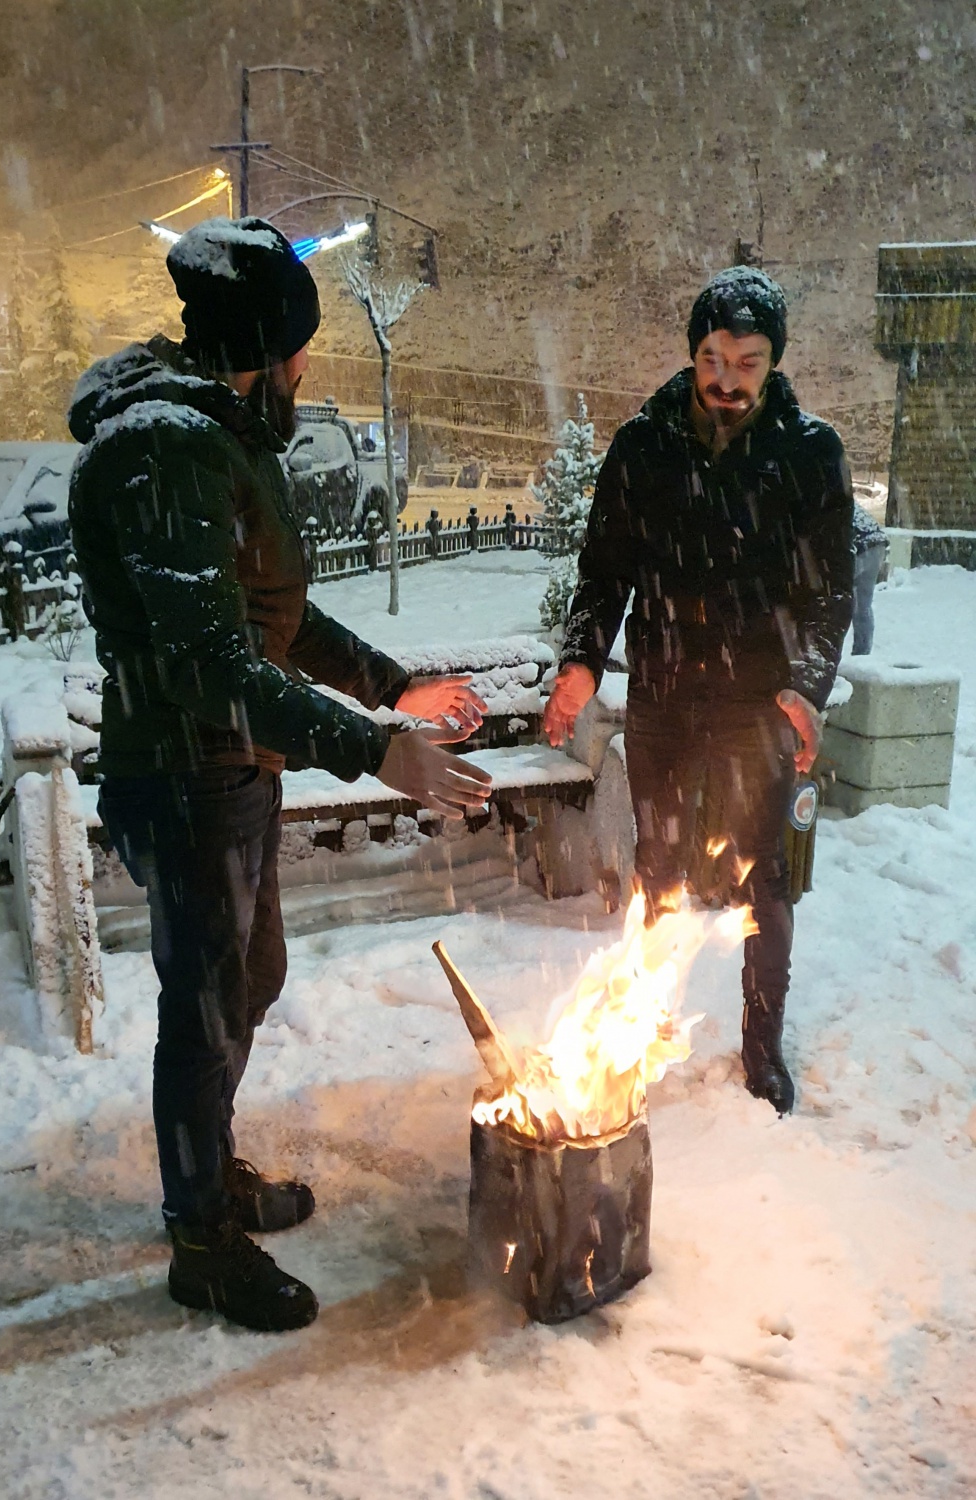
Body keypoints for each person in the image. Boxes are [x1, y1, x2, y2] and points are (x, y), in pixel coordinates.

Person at [67, 217, 491, 1332]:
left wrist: (387, 687)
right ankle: (201, 1234)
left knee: (246, 986)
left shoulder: (218, 431)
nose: (309, 368)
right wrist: (372, 752)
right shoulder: (162, 448)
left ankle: (209, 1170)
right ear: (266, 346)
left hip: (237, 771)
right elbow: (209, 665)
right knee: (204, 1009)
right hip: (186, 772)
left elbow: (272, 614)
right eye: (300, 347)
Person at [543, 266, 853, 1116]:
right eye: (714, 357)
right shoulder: (645, 445)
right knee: (661, 866)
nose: (726, 379)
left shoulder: (808, 454)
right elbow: (604, 572)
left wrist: (805, 689)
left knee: (767, 883)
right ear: (693, 354)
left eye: (747, 362)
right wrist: (580, 661)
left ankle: (762, 1044)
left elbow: (830, 594)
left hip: (761, 704)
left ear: (772, 365)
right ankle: (636, 1030)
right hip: (667, 696)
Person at [851, 501, 887, 654]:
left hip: (861, 547)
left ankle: (831, 652)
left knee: (841, 601)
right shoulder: (845, 501)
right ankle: (862, 653)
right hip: (878, 544)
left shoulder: (828, 506)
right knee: (862, 605)